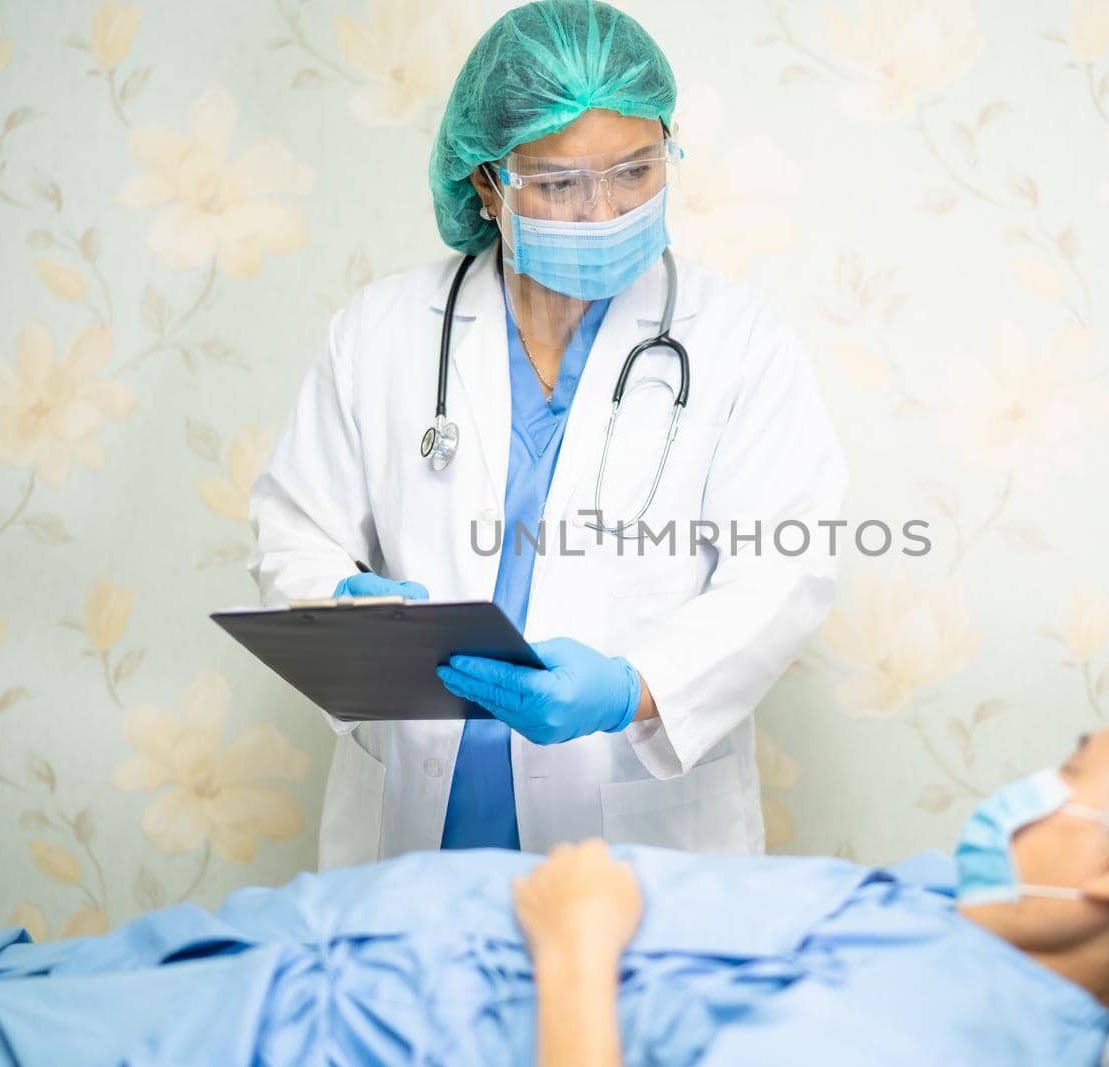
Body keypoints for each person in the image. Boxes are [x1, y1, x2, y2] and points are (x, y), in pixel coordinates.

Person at [0, 692, 1109, 1066]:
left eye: (1070, 768)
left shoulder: (930, 1029)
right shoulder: (975, 917)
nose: (1026, 786)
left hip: (293, 1032)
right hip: (250, 960)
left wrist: (576, 936)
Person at [246, 0, 845, 867]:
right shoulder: (381, 332)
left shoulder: (738, 340)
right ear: (489, 183)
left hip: (643, 837)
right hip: (416, 832)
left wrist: (631, 689)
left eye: (635, 171)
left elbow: (789, 567)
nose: (602, 211)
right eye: (560, 183)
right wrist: (343, 606)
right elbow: (294, 532)